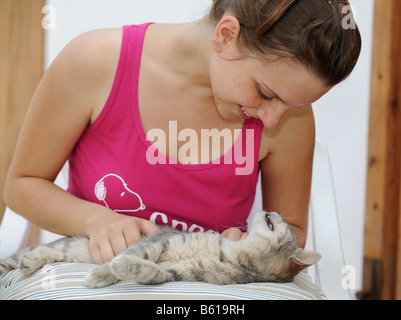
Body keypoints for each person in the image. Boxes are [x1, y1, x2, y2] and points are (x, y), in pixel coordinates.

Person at [3, 0, 361, 265]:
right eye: (265, 93)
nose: (272, 119)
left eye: (292, 105)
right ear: (226, 35)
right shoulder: (93, 63)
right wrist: (97, 221)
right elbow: (22, 184)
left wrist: (253, 247)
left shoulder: (289, 118)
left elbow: (290, 245)